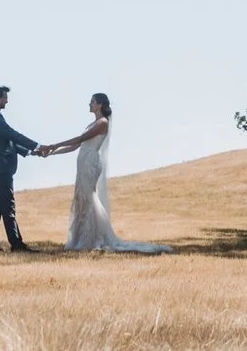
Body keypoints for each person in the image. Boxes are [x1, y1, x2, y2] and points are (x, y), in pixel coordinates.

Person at [36, 91, 170, 253]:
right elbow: (75, 146)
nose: (89, 104)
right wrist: (52, 153)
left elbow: (80, 139)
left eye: (92, 101)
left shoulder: (102, 123)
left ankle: (94, 238)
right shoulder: (92, 124)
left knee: (89, 198)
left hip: (90, 163)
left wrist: (54, 145)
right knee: (81, 199)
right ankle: (81, 238)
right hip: (83, 162)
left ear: (100, 104)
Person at [0, 85, 40, 252]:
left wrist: (31, 151)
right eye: (5, 98)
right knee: (8, 207)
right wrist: (37, 145)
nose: (7, 101)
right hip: (1, 169)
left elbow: (9, 142)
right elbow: (13, 135)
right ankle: (17, 244)